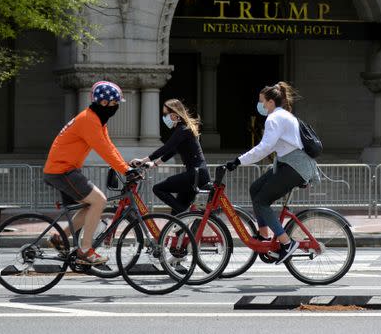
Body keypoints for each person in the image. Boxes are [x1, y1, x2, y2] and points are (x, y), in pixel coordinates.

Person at [224, 82, 319, 264]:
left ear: (270, 102)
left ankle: (287, 243)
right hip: (288, 164)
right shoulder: (282, 115)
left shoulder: (274, 118)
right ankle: (264, 236)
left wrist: (238, 161)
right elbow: (272, 146)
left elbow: (265, 148)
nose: (260, 105)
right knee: (255, 189)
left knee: (261, 200)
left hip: (295, 167)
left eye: (261, 101)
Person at [43, 81, 135, 265]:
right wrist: (125, 170)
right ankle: (85, 250)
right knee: (99, 200)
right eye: (114, 103)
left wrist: (127, 167)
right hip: (61, 170)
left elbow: (109, 146)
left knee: (89, 205)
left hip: (65, 169)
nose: (116, 107)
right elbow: (103, 150)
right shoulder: (89, 120)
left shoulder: (97, 120)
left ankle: (59, 238)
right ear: (104, 103)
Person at [131, 99, 209, 215]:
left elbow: (166, 147)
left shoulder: (182, 129)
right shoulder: (183, 129)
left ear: (175, 115)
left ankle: (187, 214)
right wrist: (154, 164)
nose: (164, 117)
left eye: (165, 114)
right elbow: (172, 151)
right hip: (197, 174)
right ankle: (185, 224)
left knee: (158, 189)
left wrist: (143, 160)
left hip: (195, 174)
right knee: (176, 215)